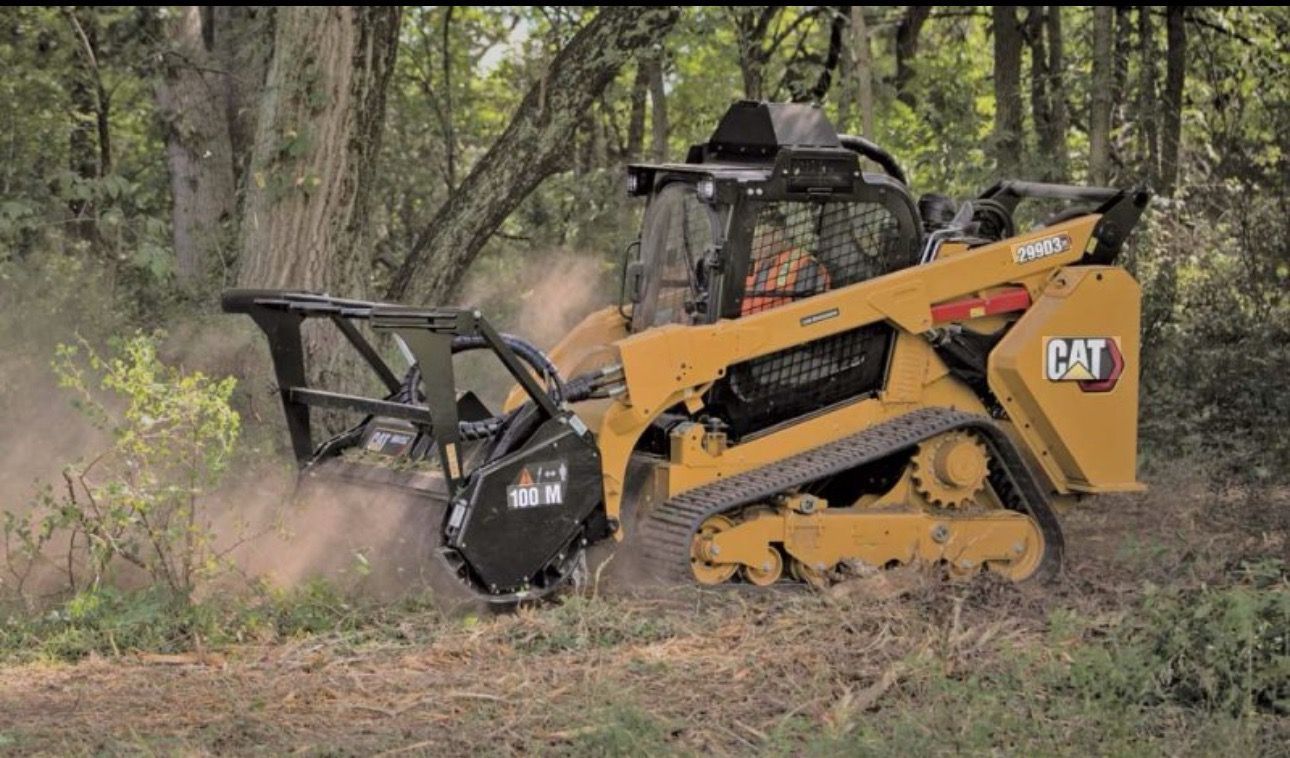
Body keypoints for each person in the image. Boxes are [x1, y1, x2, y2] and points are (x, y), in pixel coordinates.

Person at [740, 210, 831, 315]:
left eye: (765, 235)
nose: (758, 241)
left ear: (781, 234)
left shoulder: (805, 265)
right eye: (755, 236)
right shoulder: (754, 265)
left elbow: (808, 314)